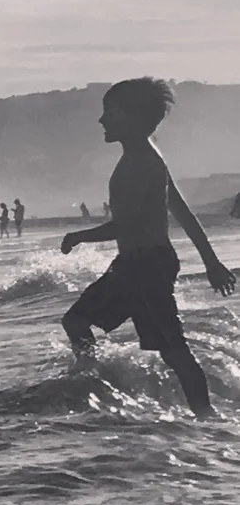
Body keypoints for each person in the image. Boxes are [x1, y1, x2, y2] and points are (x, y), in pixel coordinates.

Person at [60, 76, 235, 418]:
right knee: (77, 322)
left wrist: (79, 237)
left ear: (135, 117)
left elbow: (127, 225)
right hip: (137, 264)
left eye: (110, 112)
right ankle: (96, 385)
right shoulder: (149, 156)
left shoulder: (141, 163)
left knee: (172, 348)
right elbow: (183, 214)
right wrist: (211, 263)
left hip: (145, 266)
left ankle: (206, 415)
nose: (102, 120)